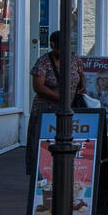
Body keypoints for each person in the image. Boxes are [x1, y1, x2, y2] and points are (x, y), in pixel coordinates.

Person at [27, 30, 86, 174]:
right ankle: (38, 175)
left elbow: (81, 74)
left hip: (69, 109)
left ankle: (67, 173)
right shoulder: (43, 62)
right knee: (40, 143)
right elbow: (38, 86)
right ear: (52, 45)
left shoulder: (74, 59)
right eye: (59, 48)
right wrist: (58, 97)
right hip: (45, 110)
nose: (62, 51)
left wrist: (82, 85)